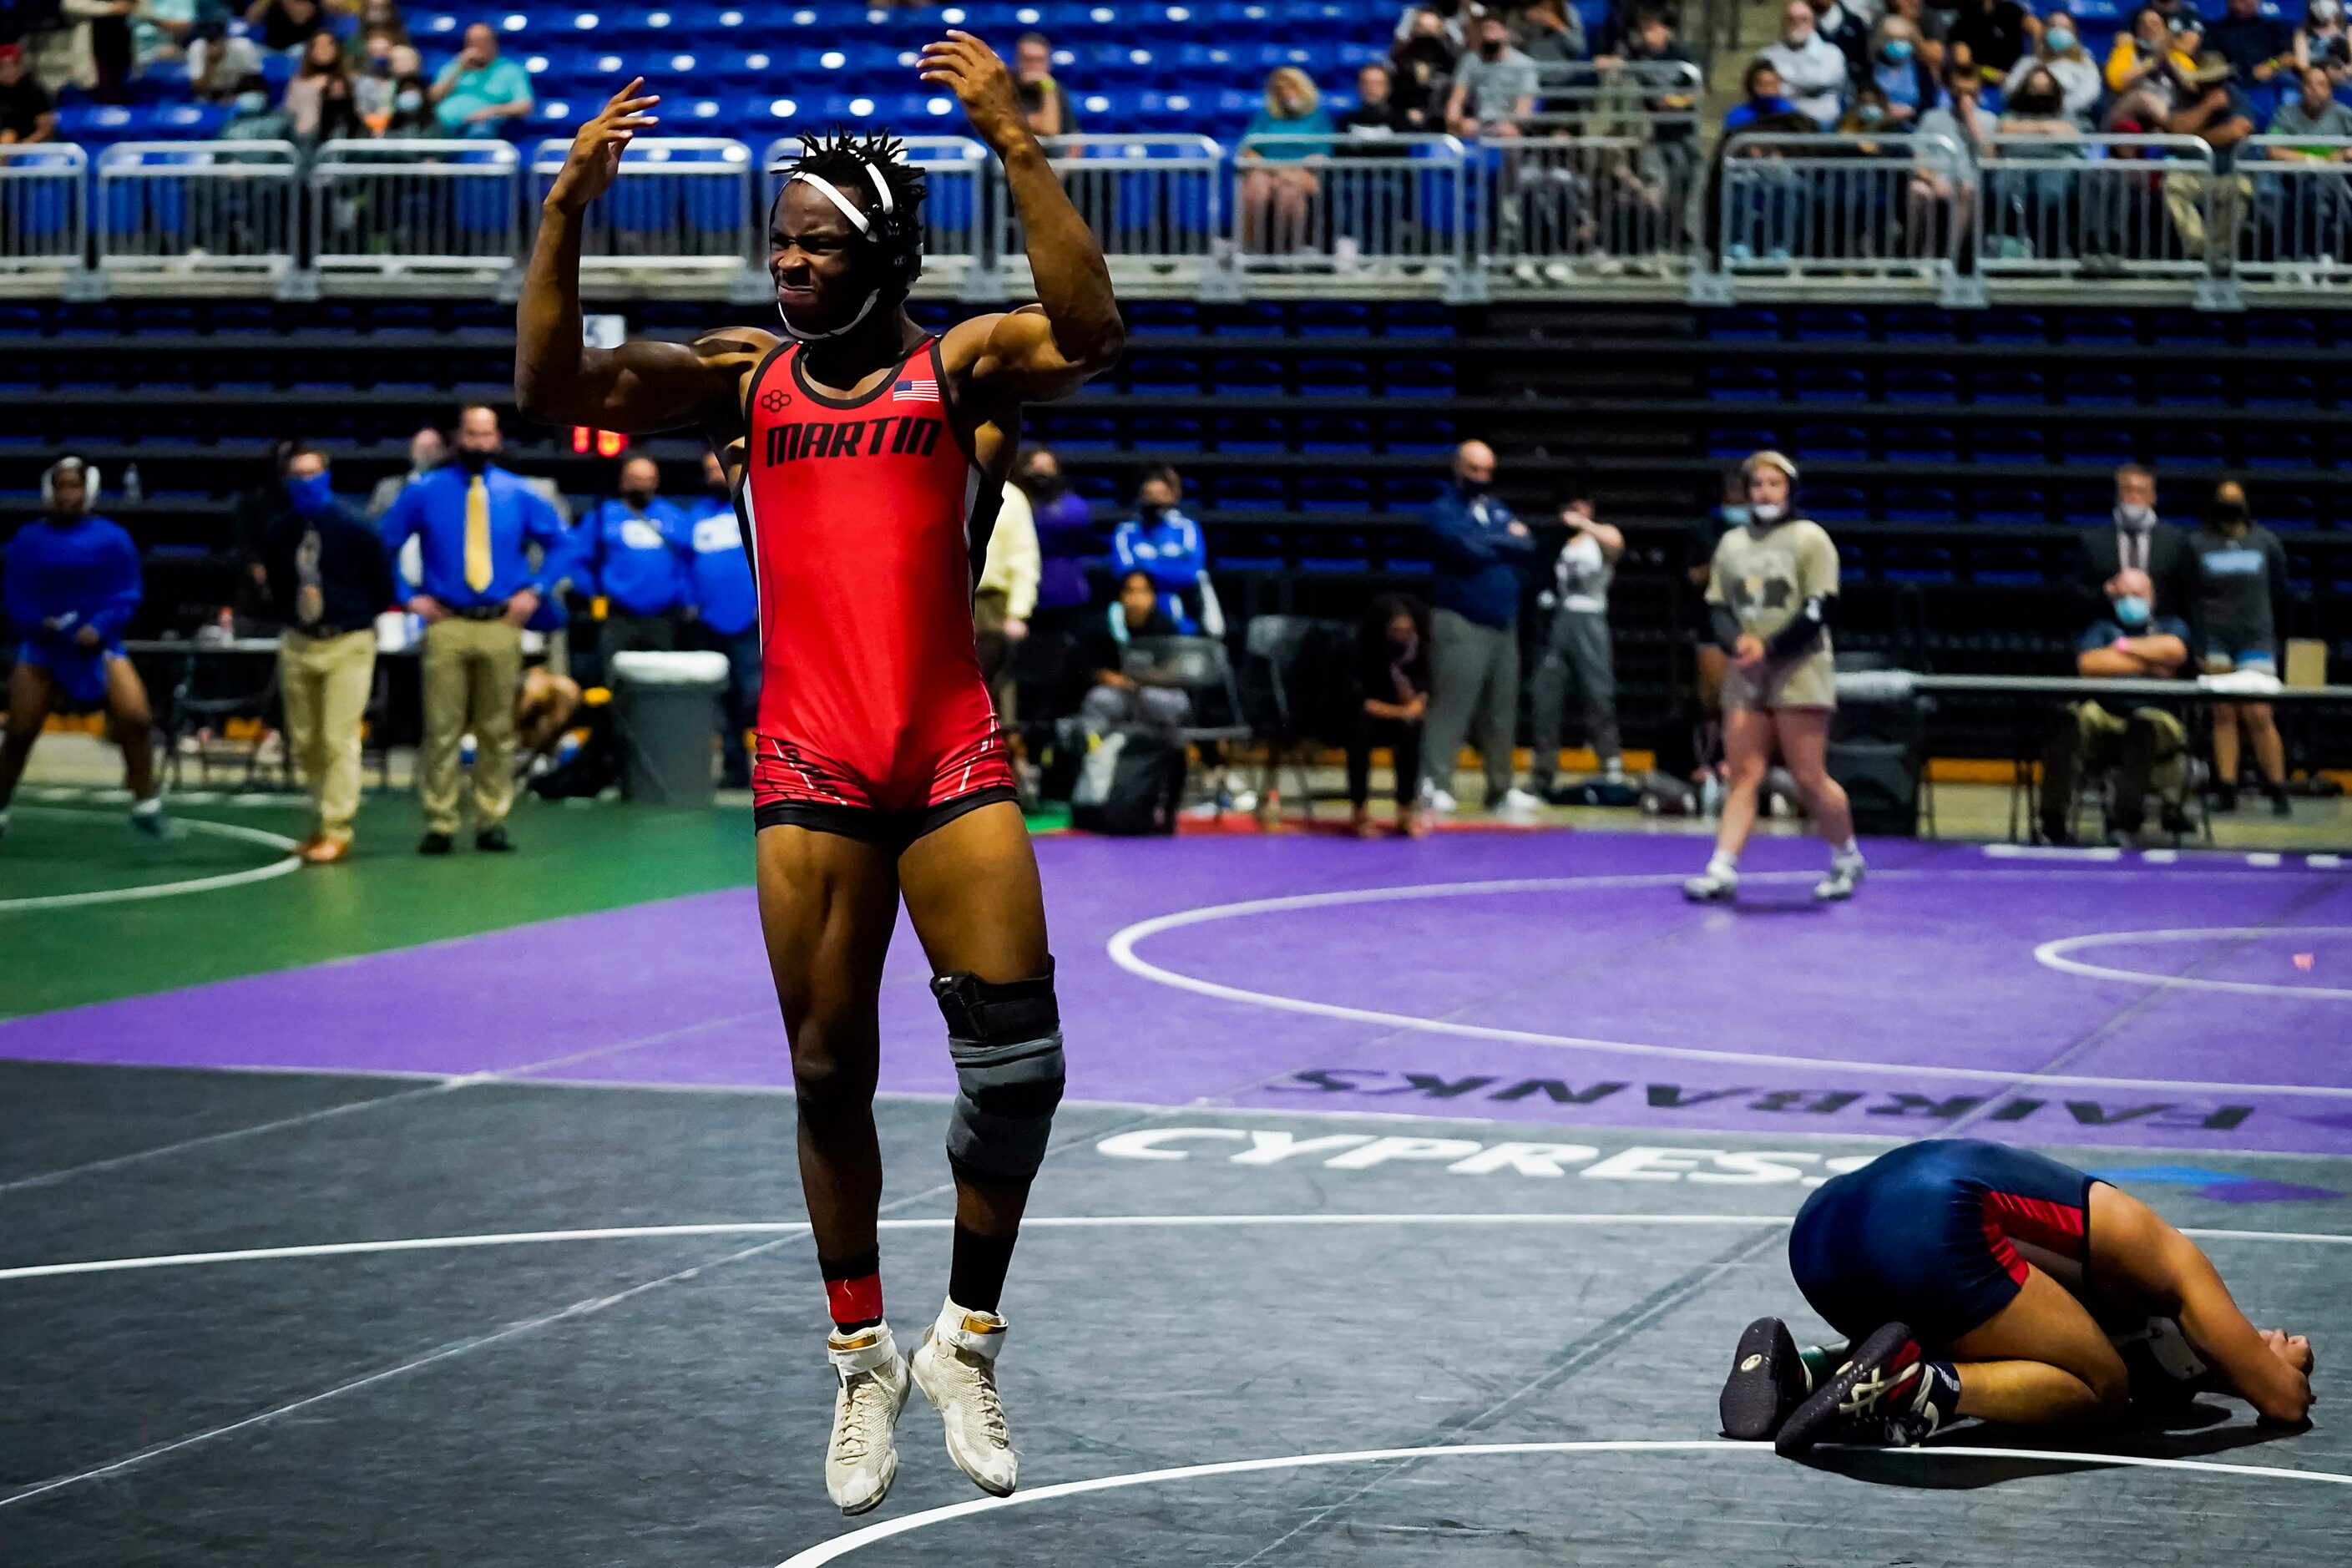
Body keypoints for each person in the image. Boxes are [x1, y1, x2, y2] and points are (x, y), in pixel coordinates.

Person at [512, 32, 1125, 1513]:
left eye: (813, 243)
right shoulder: (744, 381)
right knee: (826, 1066)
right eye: (776, 242)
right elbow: (554, 389)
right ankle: (863, 1356)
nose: (785, 263)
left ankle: (965, 1337)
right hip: (809, 767)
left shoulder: (961, 365)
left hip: (949, 753)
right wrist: (561, 215)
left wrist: (1017, 145)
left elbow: (1092, 334)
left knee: (1020, 1074)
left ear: (882, 251)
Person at [1721, 1140, 2314, 1454]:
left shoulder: (2111, 1275)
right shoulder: (2174, 1262)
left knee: (1986, 1332)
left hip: (1820, 1235)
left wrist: (2230, 1364)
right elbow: (2283, 1402)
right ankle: (1920, 1388)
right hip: (1927, 1221)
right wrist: (2272, 1367)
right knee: (2101, 1388)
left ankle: (1803, 1374)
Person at [377, 405, 571, 855]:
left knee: (497, 729)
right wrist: (408, 596)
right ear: (457, 438)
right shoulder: (425, 491)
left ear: (497, 439)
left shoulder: (518, 493)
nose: (479, 443)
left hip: (501, 623)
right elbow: (383, 544)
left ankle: (492, 818)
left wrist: (536, 590)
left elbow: (563, 544)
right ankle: (440, 821)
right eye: (471, 434)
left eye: (486, 435)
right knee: (441, 729)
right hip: (446, 623)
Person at [1683, 451, 1864, 904]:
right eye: (1757, 485)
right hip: (1748, 670)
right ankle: (1722, 866)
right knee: (1743, 774)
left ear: (1790, 490)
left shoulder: (1810, 540)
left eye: (1773, 484)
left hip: (1798, 668)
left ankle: (1845, 855)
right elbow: (1718, 605)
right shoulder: (1732, 543)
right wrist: (1736, 645)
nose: (1763, 492)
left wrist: (1770, 646)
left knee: (1808, 776)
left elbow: (1819, 607)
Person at [0, 458, 166, 843]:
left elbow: (127, 593)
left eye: (75, 487)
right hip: (44, 646)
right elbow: (15, 594)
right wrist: (37, 623)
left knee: (136, 717)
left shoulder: (112, 538)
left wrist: (99, 626)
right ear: (48, 492)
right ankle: (1, 805)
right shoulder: (28, 539)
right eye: (60, 487)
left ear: (88, 492)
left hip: (99, 643)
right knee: (20, 730)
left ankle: (145, 804)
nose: (67, 495)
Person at [2038, 463, 2198, 845]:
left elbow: (2175, 652)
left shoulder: (2170, 624)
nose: (2130, 601)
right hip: (2106, 714)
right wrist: (2147, 660)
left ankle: (2126, 821)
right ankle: (2053, 819)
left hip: (2156, 715)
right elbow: (2089, 664)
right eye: (2123, 594)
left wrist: (2122, 650)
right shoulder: (2101, 626)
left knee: (2142, 727)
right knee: (2071, 720)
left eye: (2138, 595)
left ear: (2153, 597)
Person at [260, 444, 394, 865]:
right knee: (306, 740)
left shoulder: (357, 527)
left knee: (339, 737)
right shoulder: (279, 532)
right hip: (299, 640)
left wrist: (353, 616)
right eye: (297, 475)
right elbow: (278, 586)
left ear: (328, 475)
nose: (306, 482)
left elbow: (382, 587)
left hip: (347, 641)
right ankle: (320, 819)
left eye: (313, 473)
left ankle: (338, 827)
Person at [1419, 439, 1542, 819]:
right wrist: (1508, 541)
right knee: (1451, 707)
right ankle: (1434, 783)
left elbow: (1529, 544)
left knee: (1501, 711)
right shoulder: (1443, 511)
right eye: (1475, 470)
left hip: (1502, 623)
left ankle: (1500, 787)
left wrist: (1496, 542)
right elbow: (1465, 548)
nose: (1482, 477)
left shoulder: (1495, 509)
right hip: (1461, 620)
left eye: (1488, 471)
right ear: (1458, 470)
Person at [2191, 480, 2292, 815]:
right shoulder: (2198, 544)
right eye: (2225, 500)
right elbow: (2191, 594)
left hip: (2256, 639)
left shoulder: (2266, 543)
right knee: (2223, 713)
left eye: (2236, 500)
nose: (2231, 506)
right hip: (2216, 640)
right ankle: (2227, 788)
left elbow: (2279, 587)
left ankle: (2278, 788)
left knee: (2259, 713)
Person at [1529, 498, 1624, 797]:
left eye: (1582, 507)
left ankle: (1610, 761)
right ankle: (1543, 770)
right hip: (1560, 617)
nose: (1575, 512)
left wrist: (1584, 524)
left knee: (1598, 691)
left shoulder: (1600, 536)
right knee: (1546, 695)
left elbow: (1616, 545)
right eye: (1570, 507)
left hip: (1590, 616)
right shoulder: (1558, 542)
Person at [685, 449, 761, 789]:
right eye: (709, 470)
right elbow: (682, 566)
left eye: (720, 467)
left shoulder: (755, 506)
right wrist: (691, 603)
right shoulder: (694, 519)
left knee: (755, 696)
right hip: (710, 624)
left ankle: (772, 766)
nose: (716, 474)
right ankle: (734, 769)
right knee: (723, 700)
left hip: (752, 621)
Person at [579, 454, 694, 658]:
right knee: (613, 676)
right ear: (623, 481)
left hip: (664, 616)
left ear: (656, 482)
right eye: (635, 479)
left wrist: (686, 599)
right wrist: (592, 593)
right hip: (617, 614)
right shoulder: (602, 516)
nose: (641, 486)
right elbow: (580, 560)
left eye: (646, 480)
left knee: (662, 677)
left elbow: (687, 563)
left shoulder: (674, 517)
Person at [1349, 591, 1431, 838]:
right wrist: (1404, 711)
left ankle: (1405, 810)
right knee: (1360, 730)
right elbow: (1362, 703)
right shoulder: (1363, 651)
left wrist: (1409, 688)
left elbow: (1421, 696)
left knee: (1412, 730)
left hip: (1393, 717)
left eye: (1408, 630)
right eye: (1397, 630)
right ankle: (1360, 811)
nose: (1403, 636)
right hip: (1354, 717)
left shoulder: (1415, 651)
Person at [1075, 568, 1189, 734]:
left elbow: (1175, 670)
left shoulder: (1166, 626)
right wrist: (1112, 679)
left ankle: (1168, 751)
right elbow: (1091, 669)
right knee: (1099, 699)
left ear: (1153, 596)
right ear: (1121, 595)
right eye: (1131, 591)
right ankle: (1097, 750)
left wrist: (1147, 680)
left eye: (1144, 592)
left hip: (1154, 691)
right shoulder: (1103, 626)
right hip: (1118, 692)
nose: (1137, 599)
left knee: (1173, 702)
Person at [1110, 464, 1215, 635]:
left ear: (1173, 497)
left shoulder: (1187, 528)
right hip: (1139, 624)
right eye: (1149, 495)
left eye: (1161, 495)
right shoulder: (1125, 532)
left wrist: (1146, 565)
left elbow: (1189, 574)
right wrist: (1169, 568)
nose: (1156, 501)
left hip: (1184, 624)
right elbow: (1125, 574)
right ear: (1140, 496)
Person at [1238, 65, 1331, 254]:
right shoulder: (1264, 117)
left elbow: (1320, 156)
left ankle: (1291, 250)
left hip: (1302, 174)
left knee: (1289, 187)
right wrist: (1276, 169)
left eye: (1291, 87)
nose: (1286, 93)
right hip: (1267, 172)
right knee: (1256, 186)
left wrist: (1285, 171)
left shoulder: (1319, 118)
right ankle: (1253, 248)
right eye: (1280, 89)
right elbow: (1248, 149)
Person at [974, 464, 1038, 730]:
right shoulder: (945, 484)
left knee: (995, 685)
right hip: (947, 598)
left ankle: (1005, 753)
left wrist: (1018, 612)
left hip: (991, 603)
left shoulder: (1011, 498)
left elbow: (1024, 556)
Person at [428, 20, 529, 139]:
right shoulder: (454, 67)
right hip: (442, 126)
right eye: (472, 43)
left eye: (482, 42)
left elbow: (524, 106)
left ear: (494, 44)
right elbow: (432, 99)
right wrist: (458, 68)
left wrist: (491, 111)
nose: (477, 47)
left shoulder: (510, 70)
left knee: (481, 129)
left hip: (482, 126)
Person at [1446, 12, 1538, 138]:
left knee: (1508, 133)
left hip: (1508, 125)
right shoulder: (1470, 60)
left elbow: (1524, 108)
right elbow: (1457, 98)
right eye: (1484, 30)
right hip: (1477, 121)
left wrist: (1509, 126)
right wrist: (1456, 121)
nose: (1487, 35)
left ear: (1506, 33)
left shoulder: (1524, 64)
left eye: (1492, 29)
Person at [1761, 0, 1849, 129]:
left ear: (1813, 22)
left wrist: (1786, 81)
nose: (1797, 24)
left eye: (1803, 19)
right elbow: (1766, 91)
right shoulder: (1767, 56)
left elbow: (1822, 80)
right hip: (1783, 125)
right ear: (1783, 23)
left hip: (1826, 126)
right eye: (1791, 19)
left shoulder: (1832, 53)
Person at [2005, 14, 2103, 127]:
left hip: (2069, 119)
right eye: (2053, 26)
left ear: (2074, 34)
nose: (2059, 31)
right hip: (2025, 118)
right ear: (2045, 31)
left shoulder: (2084, 64)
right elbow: (2009, 89)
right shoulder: (2028, 62)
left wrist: (2054, 108)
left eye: (2065, 28)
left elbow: (2090, 93)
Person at [1389, 5, 1458, 129]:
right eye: (1422, 29)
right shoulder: (1401, 61)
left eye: (1431, 31)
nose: (1426, 37)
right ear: (1414, 31)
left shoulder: (1451, 62)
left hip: (1440, 122)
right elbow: (1394, 100)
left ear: (1441, 32)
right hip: (1407, 122)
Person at [368, 425, 446, 518]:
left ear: (442, 453)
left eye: (432, 448)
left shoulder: (453, 490)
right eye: (422, 447)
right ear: (412, 451)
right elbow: (370, 526)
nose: (426, 453)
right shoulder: (387, 488)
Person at [2210, 0, 2294, 86]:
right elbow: (2208, 58)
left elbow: (2290, 56)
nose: (2238, 5)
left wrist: (2271, 65)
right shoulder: (2215, 31)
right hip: (2231, 82)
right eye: (2233, 1)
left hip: (2271, 79)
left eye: (2244, 1)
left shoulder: (2274, 27)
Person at [1012, 31, 1078, 138]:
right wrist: (1047, 87)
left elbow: (1073, 133)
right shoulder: (1005, 89)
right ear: (1017, 61)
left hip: (1055, 153)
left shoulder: (1057, 88)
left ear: (1048, 63)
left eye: (1040, 60)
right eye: (1028, 59)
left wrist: (1048, 86)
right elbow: (1048, 129)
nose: (1034, 66)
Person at [1947, 0, 2034, 78]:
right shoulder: (1965, 14)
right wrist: (1990, 74)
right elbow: (1963, 60)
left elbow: (2034, 27)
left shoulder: (2011, 9)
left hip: (2014, 76)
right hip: (1980, 77)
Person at [1338, 59, 1409, 145]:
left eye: (1377, 83)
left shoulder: (1401, 122)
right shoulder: (1345, 122)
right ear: (1358, 86)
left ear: (1388, 87)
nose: (1371, 88)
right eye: (1366, 83)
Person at [0, 43, 57, 144]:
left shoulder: (35, 91)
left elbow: (46, 128)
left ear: (21, 65)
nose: (8, 71)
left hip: (31, 147)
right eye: (3, 66)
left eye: (13, 64)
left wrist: (23, 145)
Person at [1723, 58, 1797, 134]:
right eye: (1762, 85)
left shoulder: (1788, 112)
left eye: (1772, 84)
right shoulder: (1738, 116)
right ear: (1751, 86)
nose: (1768, 91)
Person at [2297, 0, 2352, 81]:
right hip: (2315, 80)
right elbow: (2302, 64)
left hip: (2344, 79)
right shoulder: (2303, 33)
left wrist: (2343, 71)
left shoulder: (2349, 30)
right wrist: (2323, 74)